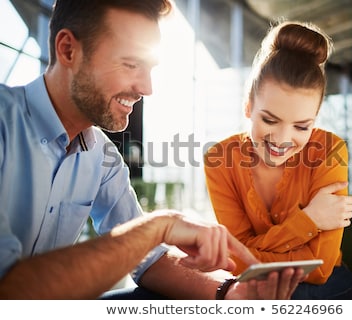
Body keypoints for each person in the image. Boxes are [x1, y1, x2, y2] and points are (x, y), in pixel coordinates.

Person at [0, 0, 308, 300]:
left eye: (149, 68)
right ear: (68, 50)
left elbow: (148, 258)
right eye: (131, 64)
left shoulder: (101, 157)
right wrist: (159, 226)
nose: (147, 88)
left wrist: (231, 292)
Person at [204, 20, 352, 299]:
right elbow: (235, 258)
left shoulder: (329, 149)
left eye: (302, 126)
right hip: (254, 287)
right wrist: (309, 220)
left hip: (325, 286)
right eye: (269, 120)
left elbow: (320, 269)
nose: (282, 139)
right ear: (248, 106)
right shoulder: (219, 159)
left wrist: (253, 253)